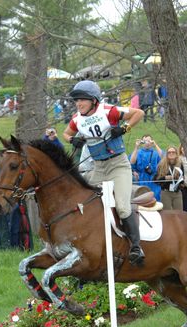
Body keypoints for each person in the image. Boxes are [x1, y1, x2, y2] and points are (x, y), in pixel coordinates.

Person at [62, 80, 146, 266]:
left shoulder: (109, 111)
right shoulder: (77, 119)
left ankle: (136, 247)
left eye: (82, 100)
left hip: (118, 166)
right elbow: (65, 133)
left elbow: (139, 113)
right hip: (98, 168)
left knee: (123, 206)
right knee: (80, 200)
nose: (78, 104)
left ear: (93, 100)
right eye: (76, 101)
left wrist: (124, 128)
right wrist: (72, 140)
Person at [129, 134, 163, 200]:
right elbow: (132, 162)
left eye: (149, 141)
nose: (147, 143)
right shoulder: (138, 152)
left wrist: (155, 145)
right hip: (141, 179)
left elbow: (163, 157)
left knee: (155, 199)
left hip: (154, 180)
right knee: (142, 199)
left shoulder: (156, 153)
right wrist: (136, 147)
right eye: (145, 141)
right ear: (142, 142)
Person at [155, 146, 184, 211]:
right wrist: (165, 178)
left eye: (173, 152)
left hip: (177, 193)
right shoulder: (161, 165)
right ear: (166, 154)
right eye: (169, 152)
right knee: (167, 213)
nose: (171, 153)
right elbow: (155, 180)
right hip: (166, 192)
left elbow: (182, 178)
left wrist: (180, 180)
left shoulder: (180, 164)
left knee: (179, 213)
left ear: (176, 154)